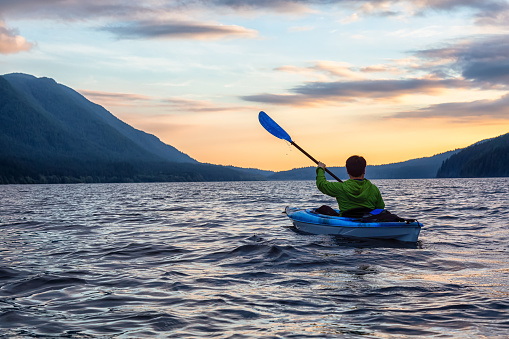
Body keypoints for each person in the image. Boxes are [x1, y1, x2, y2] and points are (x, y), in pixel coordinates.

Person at [316, 155, 385, 216]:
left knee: (323, 209)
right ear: (364, 170)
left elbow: (321, 184)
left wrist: (321, 169)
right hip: (367, 219)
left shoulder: (340, 187)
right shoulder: (373, 188)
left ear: (347, 171)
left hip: (346, 220)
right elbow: (380, 208)